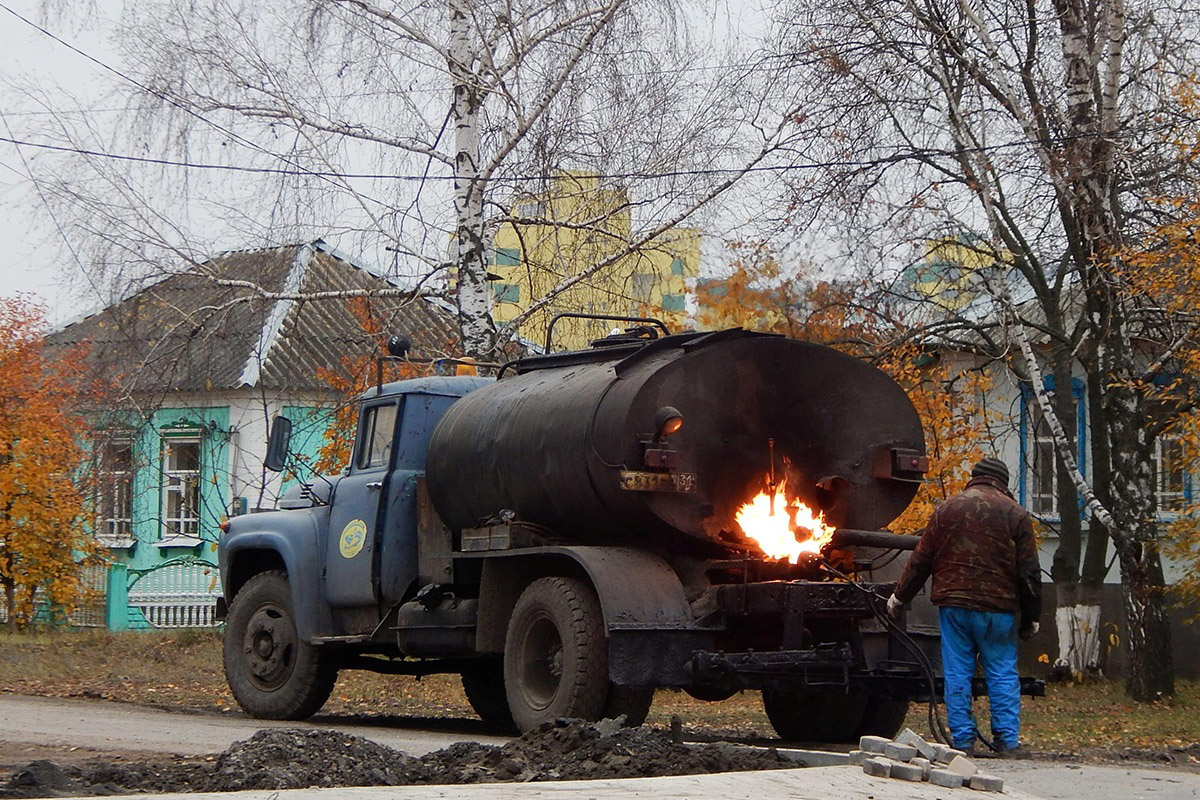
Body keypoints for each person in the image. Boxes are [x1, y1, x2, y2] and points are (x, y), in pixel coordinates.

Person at [887, 456, 1042, 756]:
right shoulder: (1016, 514)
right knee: (1001, 672)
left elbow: (921, 560)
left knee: (957, 672)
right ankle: (1007, 742)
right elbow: (1029, 572)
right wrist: (1032, 617)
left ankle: (963, 742)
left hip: (954, 605)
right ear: (1003, 483)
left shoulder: (948, 508)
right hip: (998, 608)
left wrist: (899, 597)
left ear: (975, 477)